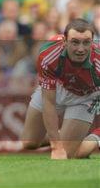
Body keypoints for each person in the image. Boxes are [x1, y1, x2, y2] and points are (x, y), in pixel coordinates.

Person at [20, 19, 100, 159]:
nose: (81, 49)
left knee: (70, 154)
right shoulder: (48, 54)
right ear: (65, 41)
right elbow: (49, 102)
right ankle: (65, 135)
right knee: (29, 143)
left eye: (86, 42)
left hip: (85, 97)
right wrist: (56, 146)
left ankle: (95, 138)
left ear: (92, 42)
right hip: (57, 88)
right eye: (75, 42)